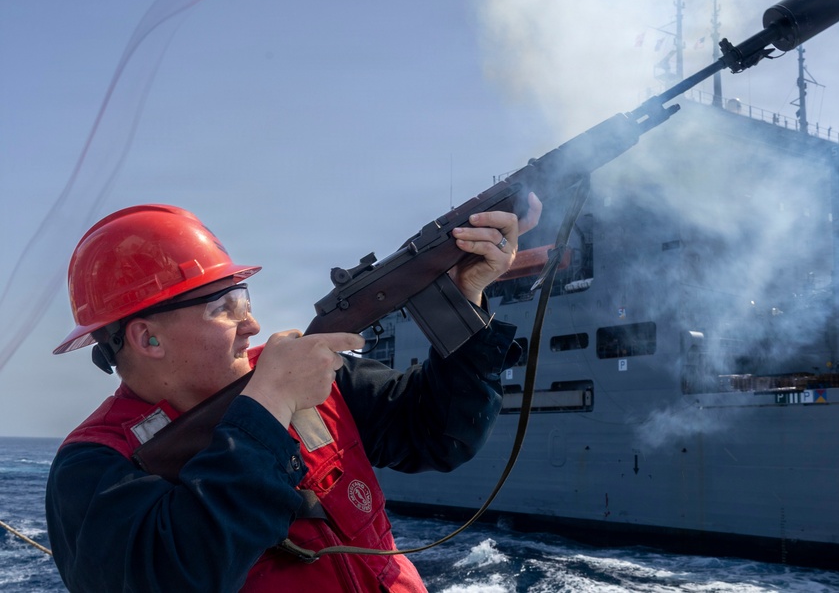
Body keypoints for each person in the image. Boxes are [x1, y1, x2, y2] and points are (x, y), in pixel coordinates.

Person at [45, 196, 541, 592]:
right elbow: (179, 574)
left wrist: (468, 296)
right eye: (226, 306)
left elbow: (439, 436)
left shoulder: (304, 375)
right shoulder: (94, 466)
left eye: (245, 299)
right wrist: (267, 407)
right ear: (147, 338)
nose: (252, 324)